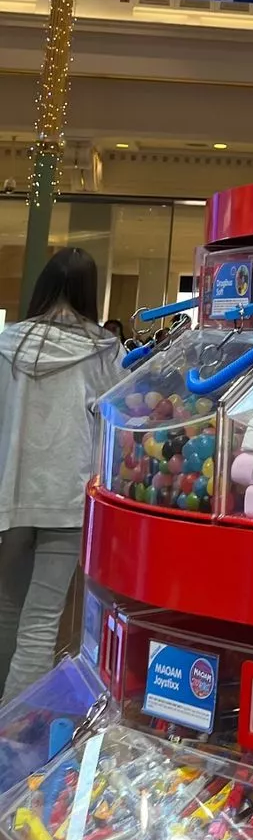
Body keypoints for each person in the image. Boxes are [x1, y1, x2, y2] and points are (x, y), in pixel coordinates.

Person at [0, 249, 122, 700]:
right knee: (41, 618)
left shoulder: (8, 343)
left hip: (11, 490)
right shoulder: (105, 350)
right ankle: (13, 726)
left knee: (7, 608)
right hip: (68, 496)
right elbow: (116, 419)